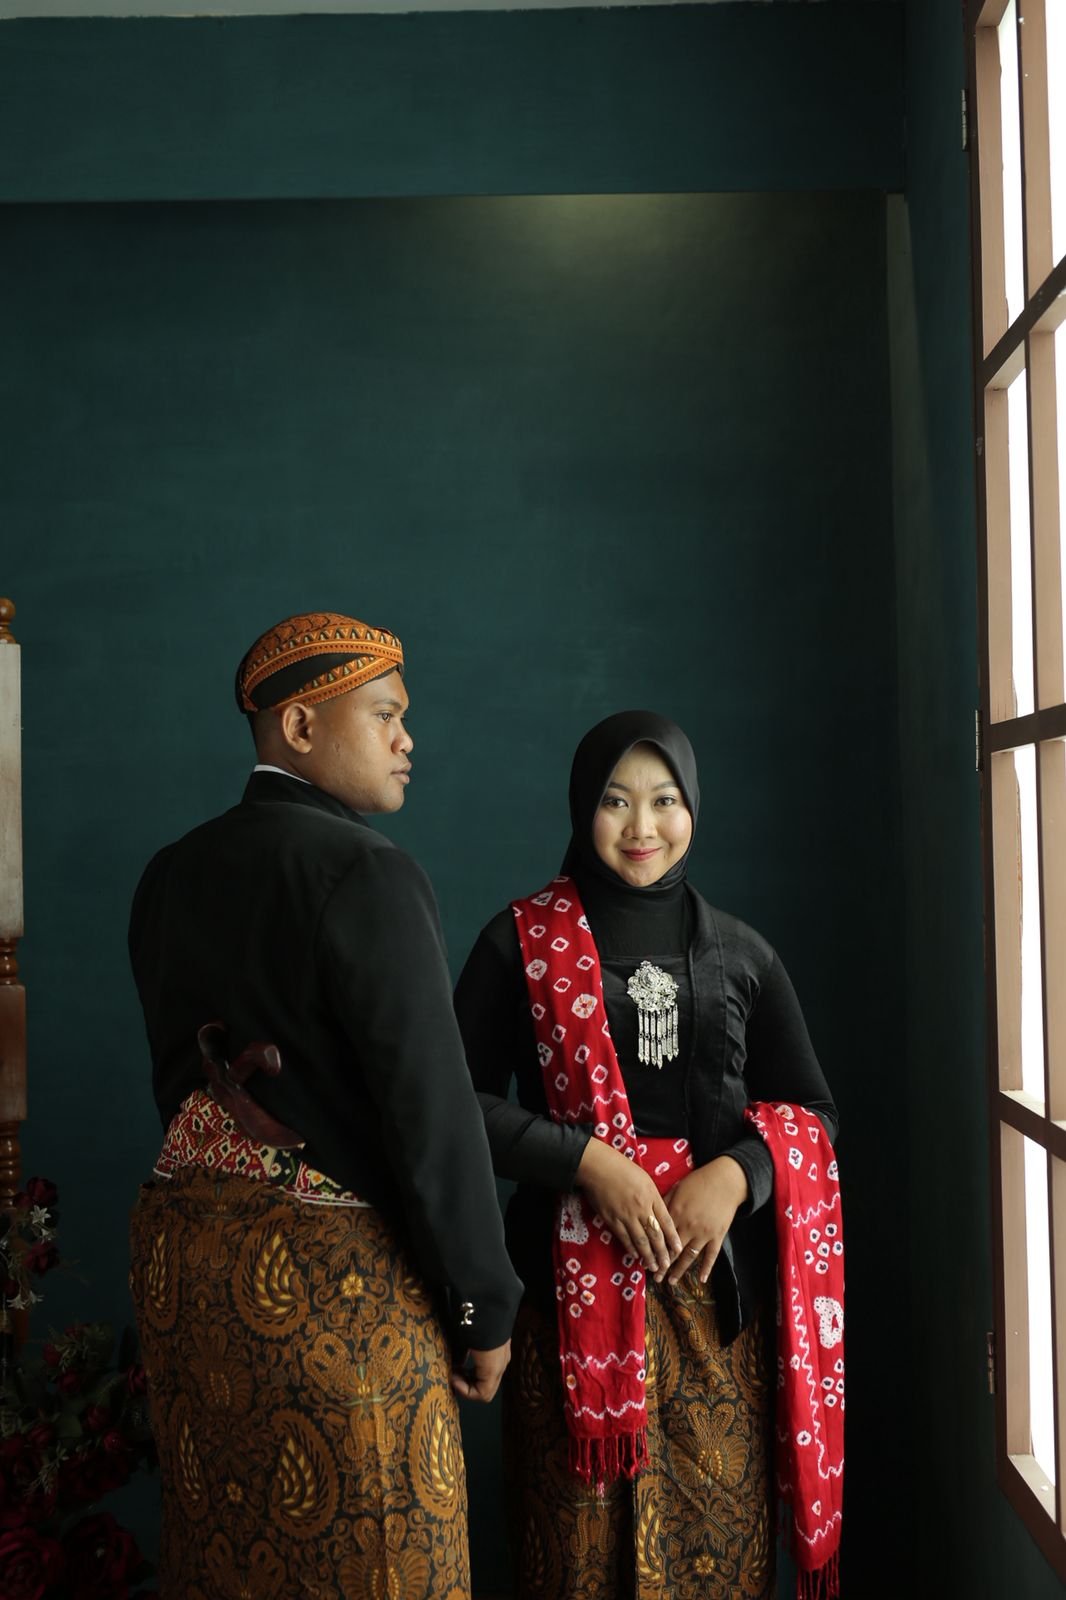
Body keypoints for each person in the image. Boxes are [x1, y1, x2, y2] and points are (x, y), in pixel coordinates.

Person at [128, 610, 522, 1600]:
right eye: (384, 714)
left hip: (188, 1290)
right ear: (300, 727)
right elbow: (431, 1115)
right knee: (376, 1562)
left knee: (227, 1557)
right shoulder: (367, 870)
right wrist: (482, 1307)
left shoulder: (168, 873)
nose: (407, 739)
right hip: (330, 1300)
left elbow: (175, 1086)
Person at [454, 710, 840, 1600]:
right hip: (563, 1310)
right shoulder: (517, 943)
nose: (642, 827)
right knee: (574, 1559)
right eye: (615, 800)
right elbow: (452, 1108)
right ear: (581, 808)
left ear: (692, 806)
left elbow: (814, 1114)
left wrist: (735, 1176)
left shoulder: (742, 954)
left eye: (665, 800)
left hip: (716, 1313)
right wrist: (588, 1164)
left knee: (718, 1554)